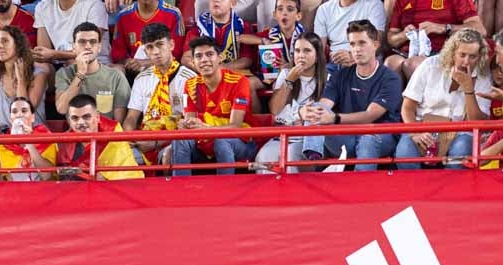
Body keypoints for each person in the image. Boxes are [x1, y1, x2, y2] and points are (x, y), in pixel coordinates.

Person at [303, 21, 403, 170]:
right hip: (347, 135)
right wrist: (309, 111)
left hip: (380, 136)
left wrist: (335, 118)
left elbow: (370, 115)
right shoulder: (340, 75)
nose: (357, 49)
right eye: (352, 44)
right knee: (316, 109)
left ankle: (360, 189)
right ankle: (314, 154)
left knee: (368, 140)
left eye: (362, 43)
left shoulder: (391, 78)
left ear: (375, 44)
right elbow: (325, 104)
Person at [395, 28, 491, 169]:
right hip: (424, 126)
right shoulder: (430, 65)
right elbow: (407, 107)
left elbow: (476, 123)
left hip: (460, 131)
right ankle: (414, 190)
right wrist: (415, 132)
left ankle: (451, 191)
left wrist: (468, 90)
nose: (466, 62)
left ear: (480, 56)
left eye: (472, 57)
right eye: (462, 55)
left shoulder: (483, 77)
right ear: (452, 53)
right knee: (405, 154)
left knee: (459, 154)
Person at [170, 36, 253, 175]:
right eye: (198, 56)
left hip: (241, 143)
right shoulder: (189, 84)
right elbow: (190, 121)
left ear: (220, 58)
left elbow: (236, 126)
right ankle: (182, 191)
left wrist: (207, 128)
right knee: (180, 139)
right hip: (204, 141)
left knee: (222, 141)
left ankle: (225, 193)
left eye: (209, 54)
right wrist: (186, 124)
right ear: (193, 62)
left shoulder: (239, 81)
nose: (204, 60)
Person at [124, 22, 197, 164]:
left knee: (169, 156)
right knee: (118, 158)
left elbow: (189, 124)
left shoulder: (190, 79)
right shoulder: (141, 79)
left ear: (171, 45)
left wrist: (156, 143)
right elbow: (131, 118)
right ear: (145, 52)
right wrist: (128, 138)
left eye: (160, 45)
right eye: (150, 47)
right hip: (145, 139)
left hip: (175, 140)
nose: (156, 52)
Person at [254, 33, 328, 172]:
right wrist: (289, 80)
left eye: (307, 51)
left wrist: (292, 113)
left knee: (292, 157)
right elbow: (275, 110)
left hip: (308, 140)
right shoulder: (286, 74)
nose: (301, 55)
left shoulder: (327, 79)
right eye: (298, 51)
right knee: (263, 159)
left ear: (317, 56)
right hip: (283, 134)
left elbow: (319, 113)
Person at [44, 94, 143, 181]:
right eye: (75, 118)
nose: (81, 123)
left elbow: (127, 174)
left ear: (97, 117)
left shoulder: (112, 134)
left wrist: (105, 176)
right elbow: (58, 174)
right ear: (69, 121)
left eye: (86, 117)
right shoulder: (65, 142)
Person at [111, 0, 185, 71]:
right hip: (132, 72)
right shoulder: (123, 16)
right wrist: (131, 63)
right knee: (116, 70)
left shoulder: (173, 14)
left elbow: (177, 55)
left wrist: (147, 63)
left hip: (165, 70)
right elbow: (118, 55)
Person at [54, 22, 131, 122]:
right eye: (82, 42)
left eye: (93, 42)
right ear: (73, 46)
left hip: (106, 135)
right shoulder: (64, 73)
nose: (88, 46)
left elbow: (119, 123)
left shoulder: (116, 77)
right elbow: (62, 108)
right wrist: (80, 74)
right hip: (76, 135)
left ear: (99, 47)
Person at [0, 25, 51, 130]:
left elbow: (24, 112)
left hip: (35, 136)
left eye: (5, 41)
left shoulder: (38, 74)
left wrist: (21, 81)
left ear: (18, 45)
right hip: (6, 139)